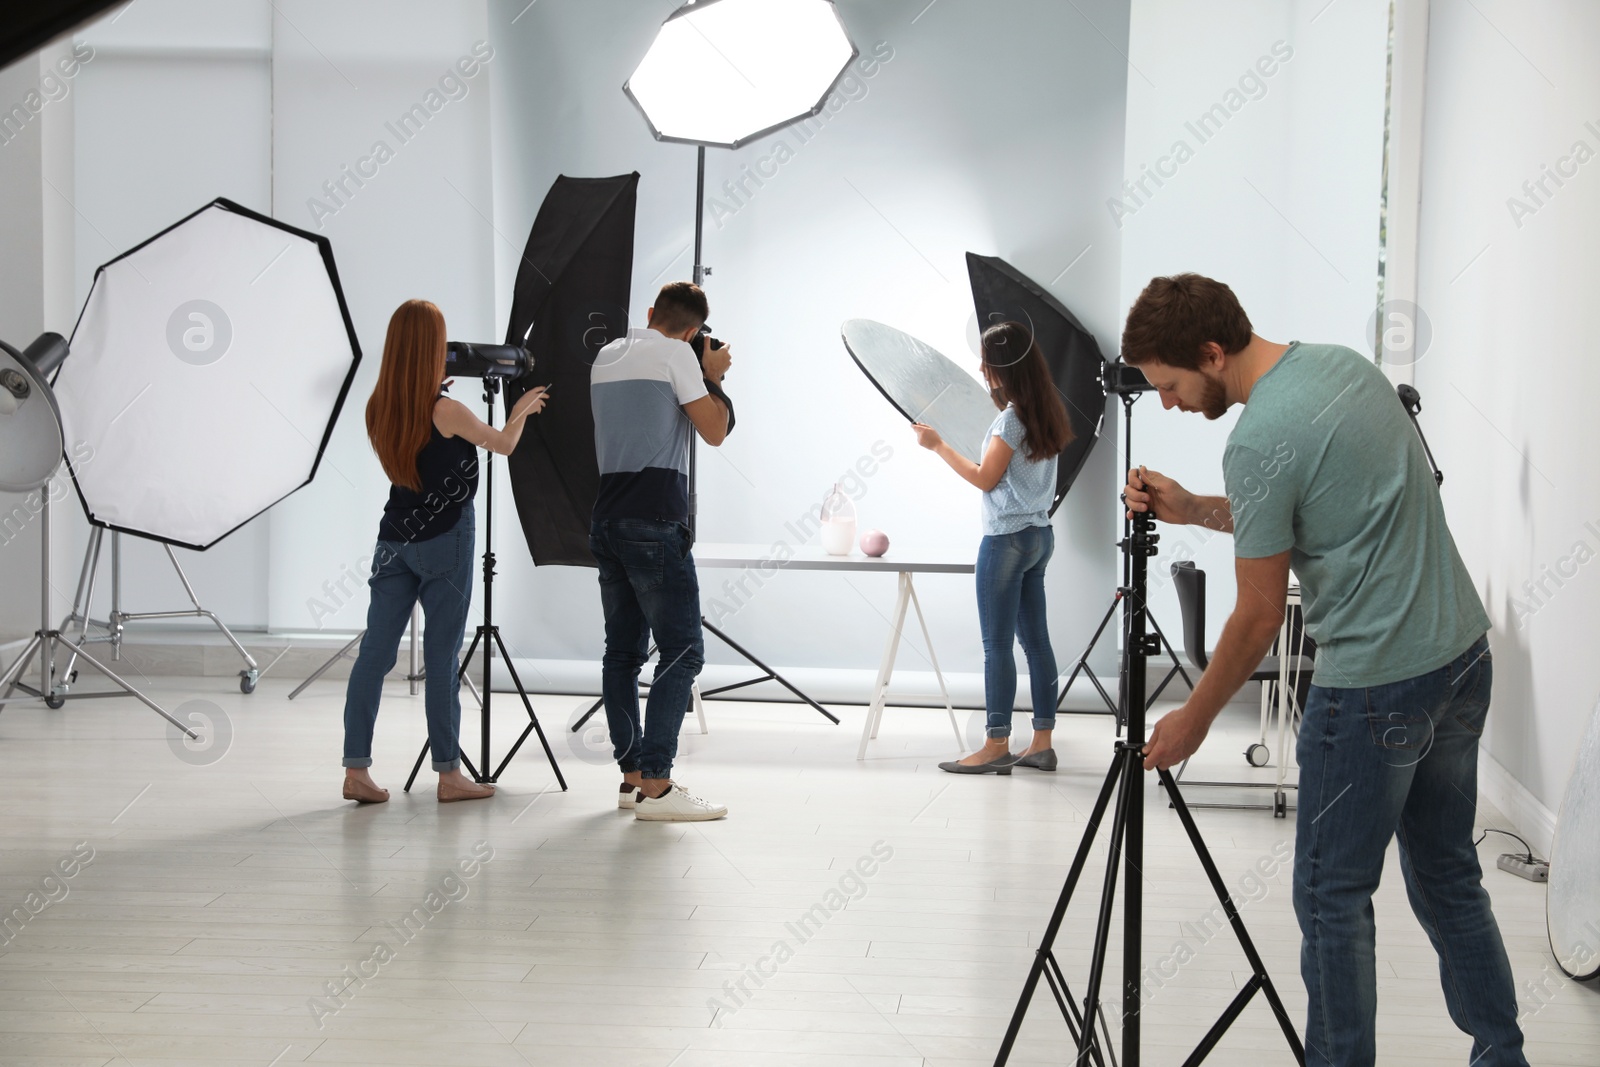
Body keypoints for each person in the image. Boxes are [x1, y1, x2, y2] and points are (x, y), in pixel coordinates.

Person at [1120, 274, 1526, 1067]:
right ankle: (1502, 1054)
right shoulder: (1342, 368)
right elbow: (1314, 504)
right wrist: (1198, 505)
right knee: (1448, 873)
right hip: (1460, 659)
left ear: (1211, 352)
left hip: (1378, 686)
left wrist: (1192, 718)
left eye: (1170, 385)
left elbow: (1259, 615)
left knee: (1330, 895)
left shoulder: (1258, 436)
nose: (1166, 403)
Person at [341, 299, 549, 804]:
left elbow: (416, 450)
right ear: (434, 349)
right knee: (440, 656)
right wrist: (520, 410)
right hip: (446, 539)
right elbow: (502, 444)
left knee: (374, 655)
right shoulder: (447, 410)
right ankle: (449, 775)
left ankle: (355, 770)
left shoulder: (379, 406)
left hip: (394, 539)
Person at [590, 281, 731, 821]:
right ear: (695, 332)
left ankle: (630, 780)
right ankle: (658, 784)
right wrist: (711, 376)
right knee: (682, 650)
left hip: (606, 517)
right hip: (655, 519)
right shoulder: (678, 356)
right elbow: (714, 431)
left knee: (622, 654)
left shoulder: (606, 355)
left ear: (651, 313)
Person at [913, 321, 1074, 775]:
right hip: (1040, 537)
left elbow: (985, 478)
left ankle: (995, 744)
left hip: (1005, 540)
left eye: (986, 361)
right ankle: (1041, 742)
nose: (981, 369)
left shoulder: (1010, 419)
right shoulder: (1047, 410)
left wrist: (938, 445)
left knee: (997, 647)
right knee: (1037, 644)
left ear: (1000, 366)